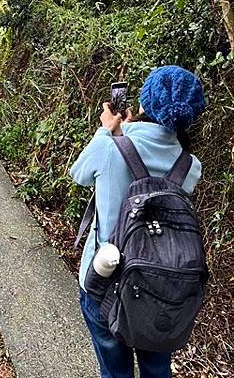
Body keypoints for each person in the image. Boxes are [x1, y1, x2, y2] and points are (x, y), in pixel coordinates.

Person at [70, 66, 205, 378]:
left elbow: (79, 174)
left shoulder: (108, 146)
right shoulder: (190, 166)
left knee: (115, 371)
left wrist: (108, 130)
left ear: (145, 103)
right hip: (164, 287)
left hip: (104, 282)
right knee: (157, 368)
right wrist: (124, 133)